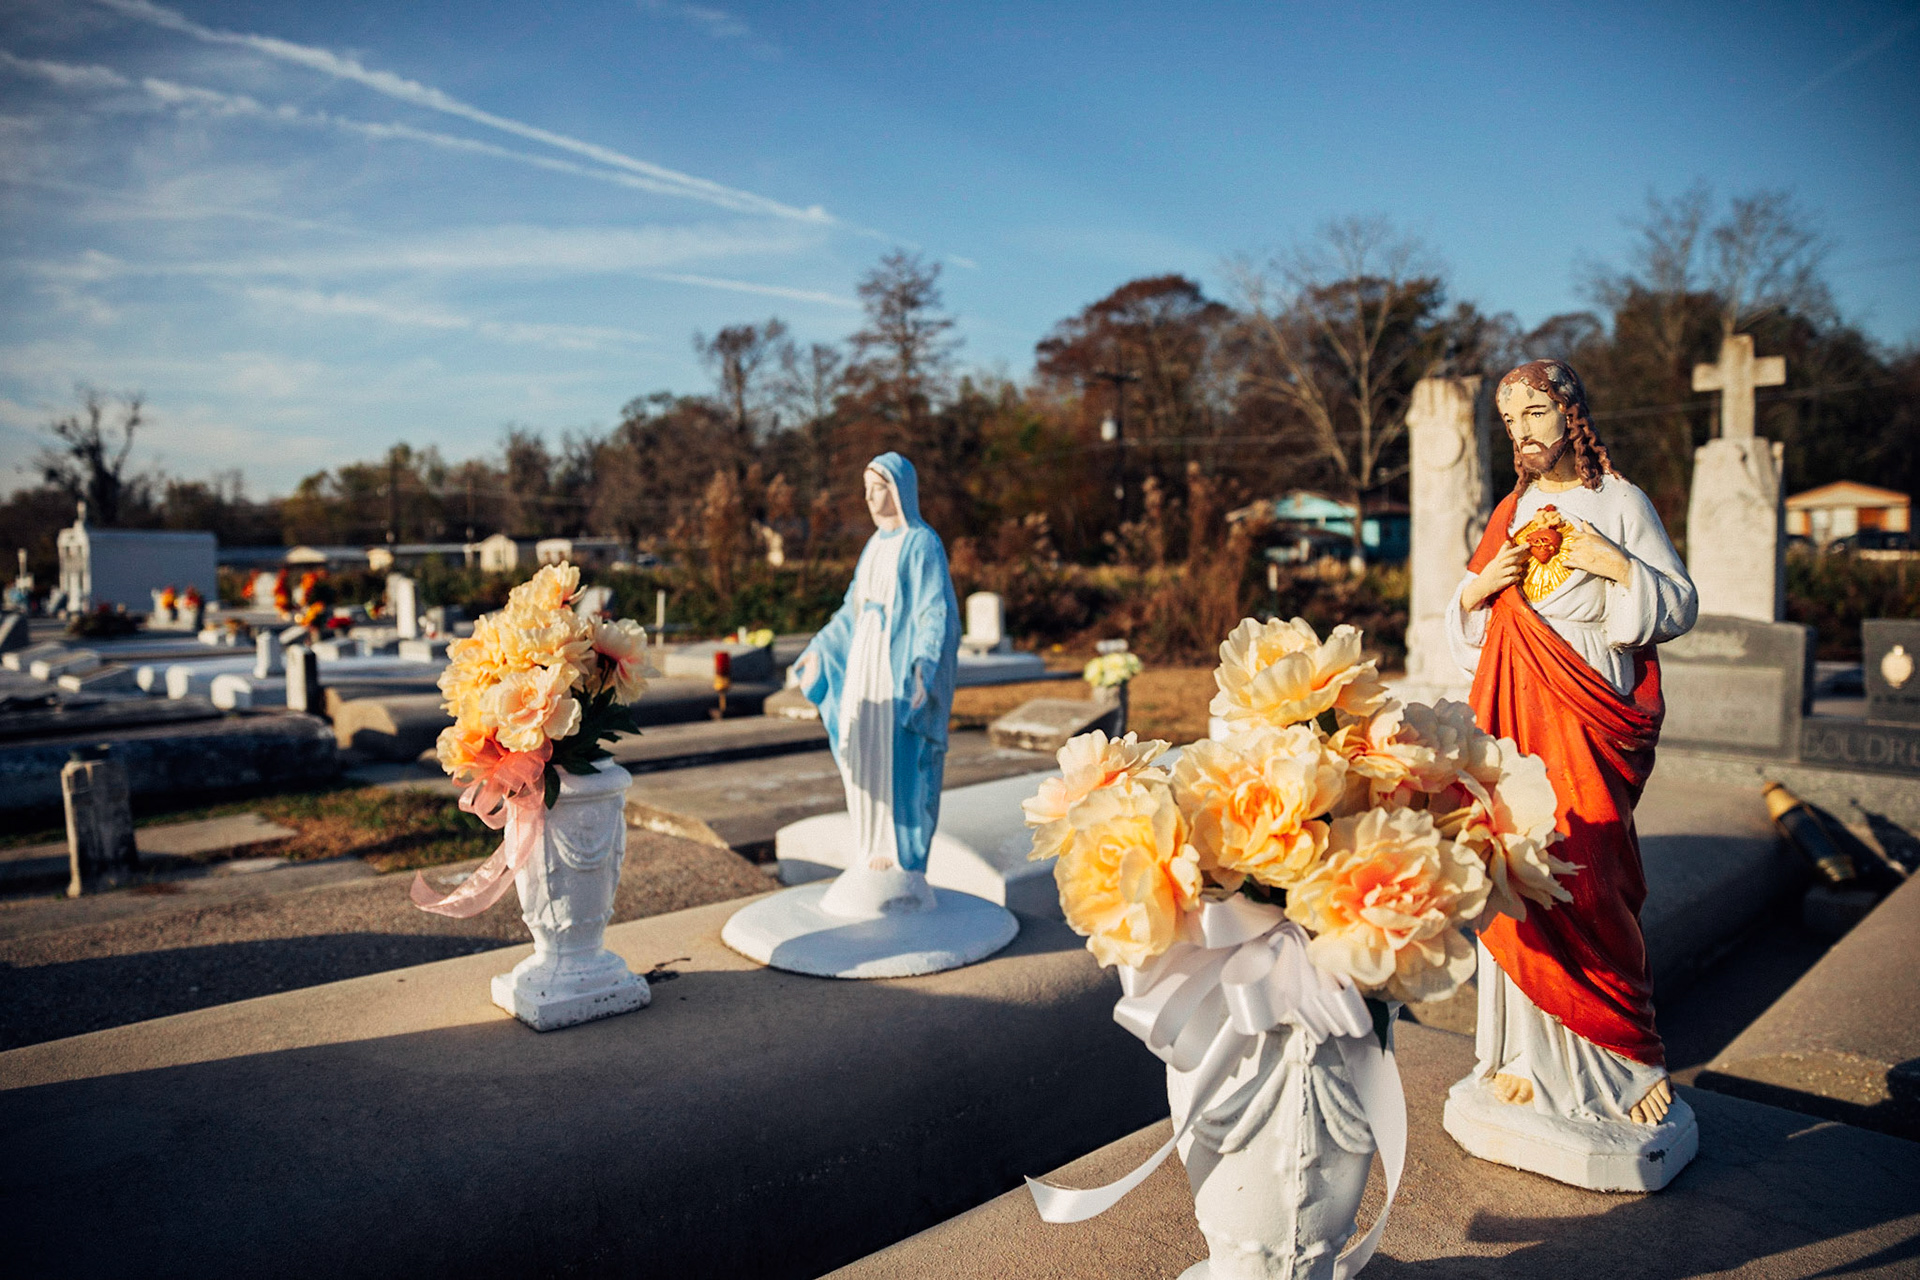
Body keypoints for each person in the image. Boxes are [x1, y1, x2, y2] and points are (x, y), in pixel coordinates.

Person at [1445, 359, 1698, 1130]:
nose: (1521, 433)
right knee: (1517, 865)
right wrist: (1487, 588)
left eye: (1535, 415)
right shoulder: (1512, 510)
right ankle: (1522, 1058)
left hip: (1590, 710)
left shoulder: (1618, 501)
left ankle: (1628, 1052)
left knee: (1592, 871)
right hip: (1515, 716)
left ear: (1572, 415)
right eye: (1510, 420)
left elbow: (1680, 602)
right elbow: (1465, 623)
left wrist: (1613, 564)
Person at [792, 453, 959, 911]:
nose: (869, 496)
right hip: (863, 662)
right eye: (865, 487)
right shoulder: (872, 545)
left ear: (901, 489)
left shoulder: (922, 543)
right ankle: (868, 845)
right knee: (861, 748)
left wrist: (925, 661)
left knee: (895, 752)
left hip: (894, 663)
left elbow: (933, 610)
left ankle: (899, 853)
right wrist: (820, 648)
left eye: (878, 486)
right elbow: (851, 609)